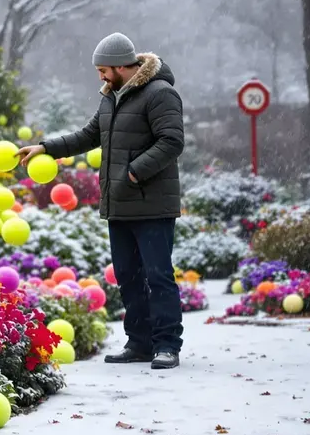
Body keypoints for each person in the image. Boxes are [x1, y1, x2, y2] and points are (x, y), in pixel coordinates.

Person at [18, 32, 185, 369]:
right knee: (127, 275)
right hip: (120, 204)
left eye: (104, 70)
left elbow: (172, 142)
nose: (100, 77)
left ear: (122, 66)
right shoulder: (112, 96)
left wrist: (134, 173)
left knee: (158, 275)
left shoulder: (160, 94)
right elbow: (90, 135)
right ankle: (139, 342)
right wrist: (46, 147)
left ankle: (167, 344)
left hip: (152, 205)